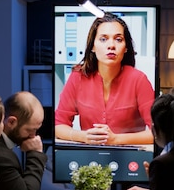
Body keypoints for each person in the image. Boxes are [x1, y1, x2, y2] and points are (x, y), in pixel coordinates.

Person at [54, 12, 154, 146]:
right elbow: (58, 125)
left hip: (131, 157)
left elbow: (158, 131)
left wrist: (116, 140)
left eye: (118, 39)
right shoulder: (77, 77)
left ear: (126, 48)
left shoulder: (139, 80)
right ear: (93, 46)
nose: (111, 45)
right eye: (103, 39)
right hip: (89, 158)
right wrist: (83, 136)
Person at [0, 91, 47, 190]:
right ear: (11, 122)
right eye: (30, 130)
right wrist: (36, 154)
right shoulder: (1, 156)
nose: (34, 136)